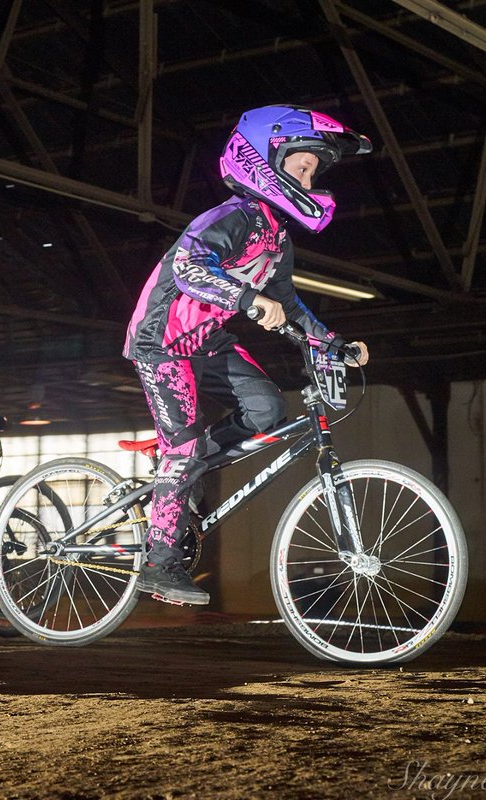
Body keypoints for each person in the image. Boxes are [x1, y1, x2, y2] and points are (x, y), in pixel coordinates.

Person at [123, 105, 372, 606]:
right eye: (303, 167)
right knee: (184, 451)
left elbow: (290, 306)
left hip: (206, 338)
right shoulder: (231, 217)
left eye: (313, 173)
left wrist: (334, 344)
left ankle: (182, 466)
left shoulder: (276, 238)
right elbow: (189, 268)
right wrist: (248, 299)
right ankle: (159, 563)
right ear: (264, 159)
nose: (309, 181)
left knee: (267, 409)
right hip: (161, 338)